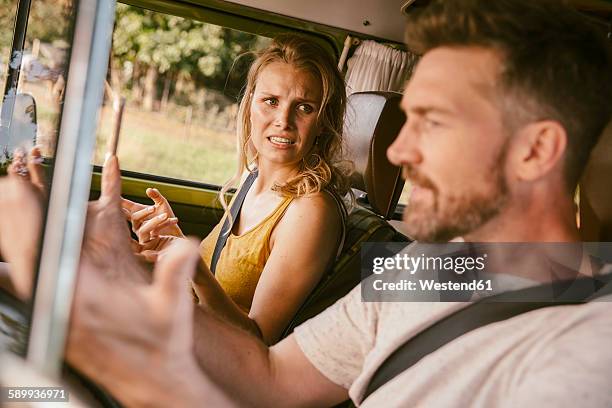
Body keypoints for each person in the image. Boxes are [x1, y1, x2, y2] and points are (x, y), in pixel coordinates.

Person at [1, 0, 612, 406]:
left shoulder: (589, 350)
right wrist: (117, 279)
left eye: (433, 121)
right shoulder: (433, 269)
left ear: (535, 151)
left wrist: (84, 326)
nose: (397, 151)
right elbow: (268, 379)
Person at [120, 35, 350, 344]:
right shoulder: (252, 179)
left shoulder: (310, 211)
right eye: (271, 101)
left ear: (322, 121)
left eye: (305, 108)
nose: (284, 120)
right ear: (250, 104)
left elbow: (256, 342)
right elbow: (213, 291)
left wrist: (191, 266)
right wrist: (170, 242)